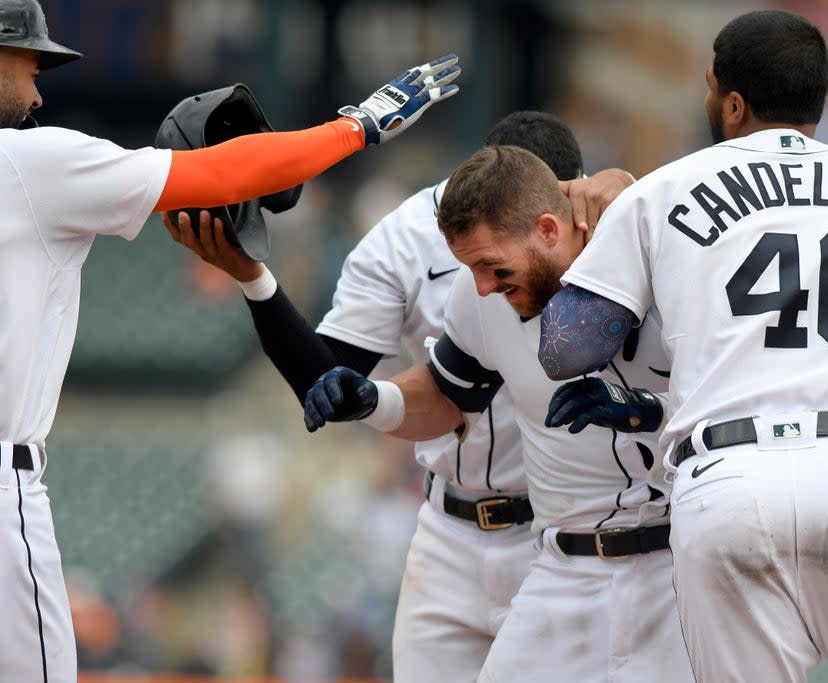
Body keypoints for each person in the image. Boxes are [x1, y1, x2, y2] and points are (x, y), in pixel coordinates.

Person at [0, 1, 460, 679]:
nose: (38, 90)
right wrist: (356, 125)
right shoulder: (24, 162)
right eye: (28, 64)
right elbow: (222, 175)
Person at [537, 9, 828, 682]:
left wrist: (598, 234)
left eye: (711, 89)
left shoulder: (662, 191)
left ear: (732, 102)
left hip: (727, 482)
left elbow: (566, 348)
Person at [165, 110, 588, 683]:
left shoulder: (607, 221)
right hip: (451, 528)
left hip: (568, 535)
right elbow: (338, 384)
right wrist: (253, 277)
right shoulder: (413, 238)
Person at [302, 144, 693, 682]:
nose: (483, 284)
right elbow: (446, 395)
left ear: (549, 230)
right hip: (561, 571)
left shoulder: (663, 257)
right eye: (472, 268)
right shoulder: (480, 295)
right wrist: (374, 399)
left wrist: (645, 412)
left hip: (674, 566)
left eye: (491, 265)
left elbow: (737, 401)